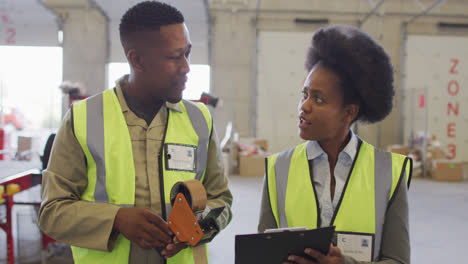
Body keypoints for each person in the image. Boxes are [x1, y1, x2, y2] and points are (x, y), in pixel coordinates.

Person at [38, 2, 233, 264]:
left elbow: (220, 198)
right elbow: (52, 211)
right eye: (175, 57)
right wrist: (116, 220)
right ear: (137, 60)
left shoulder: (199, 120)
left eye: (187, 53)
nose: (186, 67)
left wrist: (197, 229)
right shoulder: (83, 118)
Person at [258, 25, 411, 264]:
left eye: (318, 99)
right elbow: (262, 255)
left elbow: (398, 260)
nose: (304, 107)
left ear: (348, 112)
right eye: (304, 94)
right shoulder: (278, 169)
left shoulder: (389, 172)